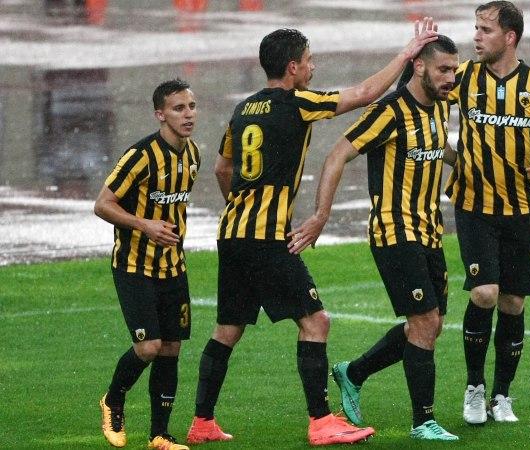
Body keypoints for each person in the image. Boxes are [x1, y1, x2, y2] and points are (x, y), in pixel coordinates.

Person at [186, 21, 439, 447]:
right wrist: (405, 53)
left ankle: (202, 422)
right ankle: (321, 422)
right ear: (292, 68)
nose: (312, 67)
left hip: (232, 233)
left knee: (227, 328)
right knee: (316, 321)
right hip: (266, 238)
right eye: (308, 61)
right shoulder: (298, 103)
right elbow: (364, 93)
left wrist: (243, 208)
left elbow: (221, 168)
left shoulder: (243, 109)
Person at [290, 35, 461, 441]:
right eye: (443, 69)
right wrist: (321, 216)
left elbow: (439, 147)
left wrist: (471, 164)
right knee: (423, 322)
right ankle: (423, 422)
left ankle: (354, 372)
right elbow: (337, 154)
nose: (450, 78)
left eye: (454, 70)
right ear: (419, 67)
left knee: (432, 324)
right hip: (394, 231)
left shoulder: (439, 107)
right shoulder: (389, 111)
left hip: (429, 230)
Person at [449, 1, 530, 425]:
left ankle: (502, 395)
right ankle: (474, 387)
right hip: (473, 205)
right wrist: (452, 157)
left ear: (510, 37)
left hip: (521, 209)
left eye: (485, 30)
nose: (476, 37)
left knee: (512, 301)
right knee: (484, 293)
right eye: (476, 28)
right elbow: (418, 98)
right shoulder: (462, 77)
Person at [95, 78, 200, 450]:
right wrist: (145, 225)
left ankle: (160, 434)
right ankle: (113, 399)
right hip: (134, 267)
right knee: (149, 347)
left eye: (191, 106)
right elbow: (102, 204)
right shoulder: (140, 156)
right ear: (160, 114)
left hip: (173, 267)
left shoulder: (193, 155)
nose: (188, 115)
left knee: (171, 348)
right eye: (178, 108)